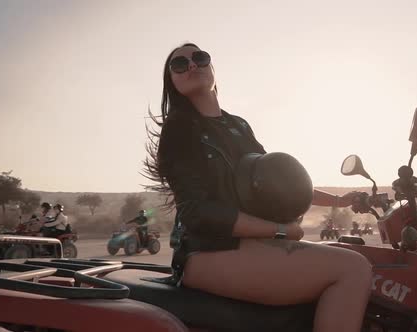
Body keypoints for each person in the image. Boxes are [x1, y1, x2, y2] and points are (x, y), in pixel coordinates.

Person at [144, 42, 372, 332]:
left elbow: (276, 181)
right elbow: (197, 213)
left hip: (250, 246)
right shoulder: (179, 128)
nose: (192, 65)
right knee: (353, 268)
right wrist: (281, 231)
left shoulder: (237, 125)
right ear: (172, 82)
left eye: (199, 58)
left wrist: (340, 201)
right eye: (180, 64)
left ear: (212, 67)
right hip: (207, 252)